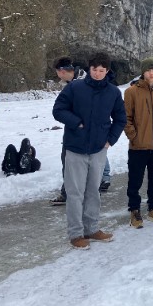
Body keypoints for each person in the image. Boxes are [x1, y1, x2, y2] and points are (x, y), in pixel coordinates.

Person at [52, 52, 126, 250]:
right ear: (89, 69)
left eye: (102, 70)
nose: (98, 73)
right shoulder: (75, 88)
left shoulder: (113, 92)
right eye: (95, 70)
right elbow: (58, 110)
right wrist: (76, 123)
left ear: (107, 71)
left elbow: (120, 118)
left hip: (98, 149)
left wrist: (111, 139)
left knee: (93, 191)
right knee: (75, 193)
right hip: (75, 148)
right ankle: (76, 233)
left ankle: (91, 229)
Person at [123, 57, 153, 229]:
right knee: (135, 180)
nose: (151, 72)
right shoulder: (131, 92)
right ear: (143, 72)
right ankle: (134, 210)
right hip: (138, 145)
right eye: (148, 69)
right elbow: (126, 117)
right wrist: (133, 136)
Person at [50, 57, 87, 205]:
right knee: (68, 161)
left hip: (83, 130)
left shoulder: (82, 82)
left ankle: (77, 193)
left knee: (75, 162)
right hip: (74, 129)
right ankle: (68, 192)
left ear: (62, 71)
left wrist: (78, 122)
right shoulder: (71, 83)